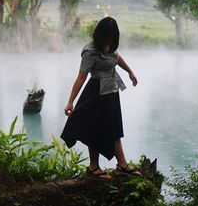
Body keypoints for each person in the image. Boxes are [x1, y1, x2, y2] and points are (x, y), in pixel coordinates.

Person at [60, 17, 141, 179]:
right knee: (95, 129)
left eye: (112, 38)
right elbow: (81, 77)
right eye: (108, 37)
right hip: (96, 92)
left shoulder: (109, 45)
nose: (110, 41)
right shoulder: (90, 52)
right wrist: (70, 101)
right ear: (101, 35)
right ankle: (94, 166)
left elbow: (117, 58)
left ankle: (122, 164)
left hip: (111, 91)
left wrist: (130, 71)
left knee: (115, 127)